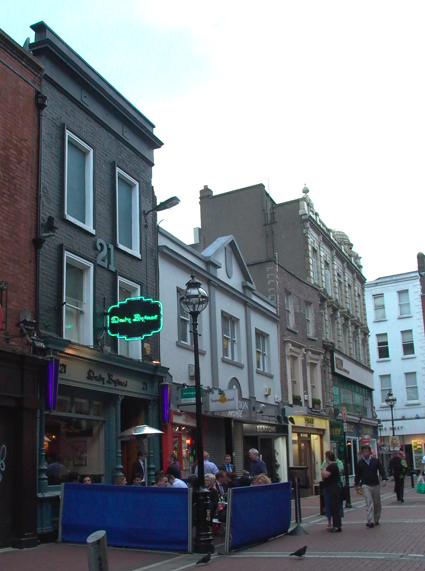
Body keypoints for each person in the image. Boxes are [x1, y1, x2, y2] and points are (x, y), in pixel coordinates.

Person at [355, 444, 387, 528]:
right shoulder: (360, 463)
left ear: (369, 452)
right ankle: (370, 520)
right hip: (366, 484)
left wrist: (384, 479)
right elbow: (358, 474)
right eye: (364, 451)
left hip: (375, 484)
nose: (365, 453)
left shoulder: (375, 461)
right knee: (368, 502)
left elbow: (381, 470)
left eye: (367, 451)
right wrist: (357, 484)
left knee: (377, 502)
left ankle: (376, 518)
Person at [321, 452, 344, 529]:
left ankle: (337, 526)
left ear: (328, 458)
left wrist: (324, 468)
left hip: (333, 488)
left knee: (335, 507)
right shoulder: (333, 466)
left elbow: (325, 474)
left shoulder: (332, 466)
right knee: (333, 507)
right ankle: (336, 525)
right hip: (332, 488)